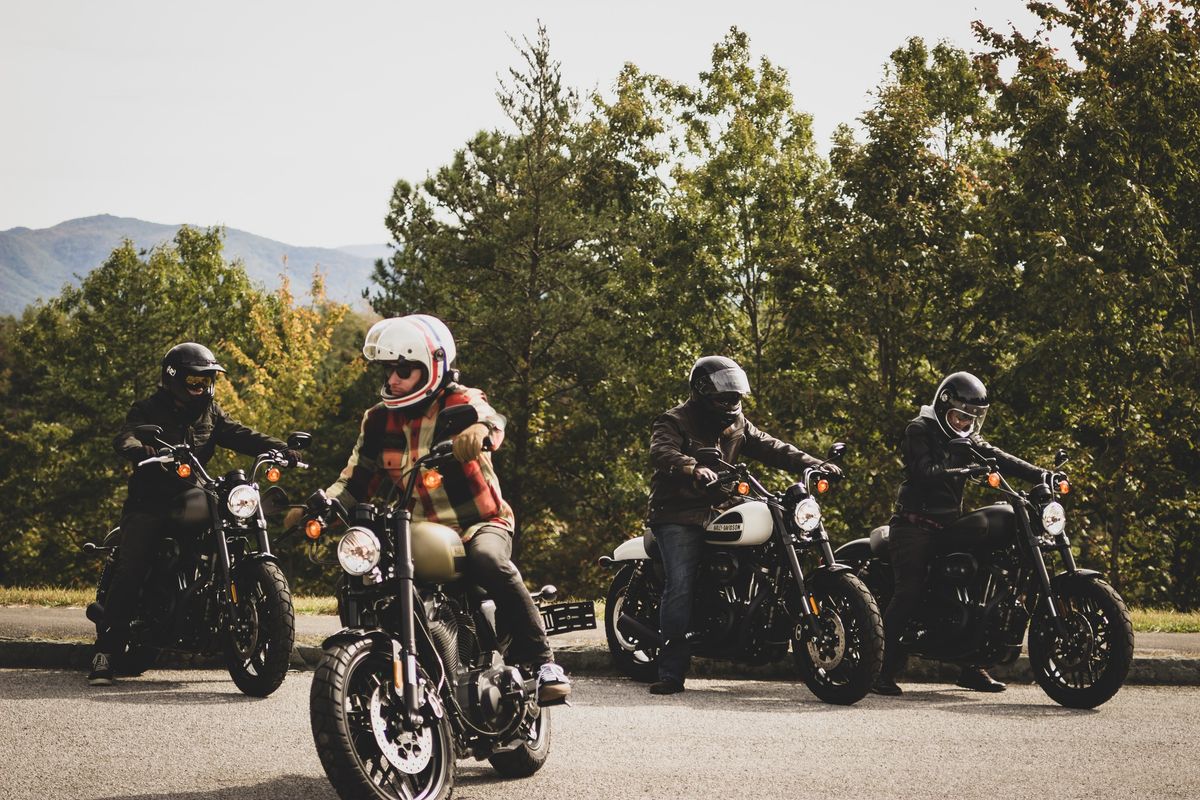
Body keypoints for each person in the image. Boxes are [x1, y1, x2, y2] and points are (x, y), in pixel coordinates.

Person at [286, 314, 571, 704]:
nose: (392, 380)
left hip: (479, 523)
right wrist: (317, 507)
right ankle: (380, 670)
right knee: (359, 581)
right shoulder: (378, 420)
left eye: (404, 370)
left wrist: (479, 432)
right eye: (389, 370)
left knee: (488, 560)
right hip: (416, 533)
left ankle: (542, 663)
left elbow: (492, 419)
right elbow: (355, 481)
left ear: (433, 367)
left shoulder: (459, 401)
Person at [91, 343, 296, 686]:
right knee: (133, 566)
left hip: (195, 494)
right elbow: (124, 437)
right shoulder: (148, 409)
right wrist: (141, 449)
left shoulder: (210, 413)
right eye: (197, 381)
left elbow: (241, 435)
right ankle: (105, 651)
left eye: (208, 381)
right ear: (174, 379)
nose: (204, 388)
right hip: (151, 502)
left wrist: (279, 448)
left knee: (230, 518)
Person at [645, 355, 837, 695]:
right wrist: (692, 468)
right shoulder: (674, 420)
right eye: (725, 397)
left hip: (723, 504)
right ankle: (671, 670)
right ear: (702, 392)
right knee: (681, 583)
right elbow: (662, 452)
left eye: (736, 397)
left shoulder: (737, 423)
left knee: (774, 529)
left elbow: (774, 447)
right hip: (678, 512)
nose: (732, 403)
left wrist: (815, 463)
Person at [872, 371, 1046, 696]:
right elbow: (922, 473)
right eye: (959, 417)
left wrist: (1039, 473)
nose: (965, 424)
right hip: (914, 527)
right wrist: (961, 460)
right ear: (942, 407)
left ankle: (972, 664)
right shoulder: (919, 430)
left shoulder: (966, 439)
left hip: (947, 526)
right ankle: (879, 668)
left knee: (979, 579)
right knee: (909, 591)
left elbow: (997, 456)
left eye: (971, 420)